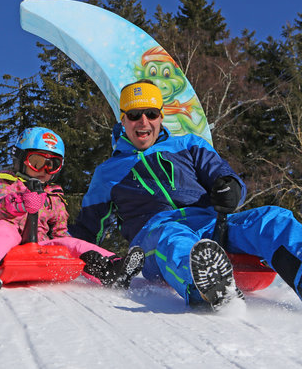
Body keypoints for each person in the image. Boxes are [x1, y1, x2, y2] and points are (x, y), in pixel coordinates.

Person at [71, 79, 302, 310]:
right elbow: (86, 232)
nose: (144, 122)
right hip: (154, 237)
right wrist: (82, 256)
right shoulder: (107, 173)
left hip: (211, 225)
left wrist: (230, 187)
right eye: (134, 115)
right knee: (172, 236)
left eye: (151, 114)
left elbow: (222, 174)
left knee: (273, 218)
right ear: (123, 120)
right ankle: (208, 291)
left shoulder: (189, 145)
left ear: (160, 117)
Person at [0, 127, 145, 293]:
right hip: (8, 249)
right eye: (37, 162)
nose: (45, 170)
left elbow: (59, 231)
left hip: (38, 247)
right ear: (21, 159)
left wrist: (66, 244)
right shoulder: (4, 181)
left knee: (72, 244)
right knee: (0, 230)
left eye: (52, 165)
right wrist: (21, 202)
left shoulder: (53, 195)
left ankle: (111, 269)